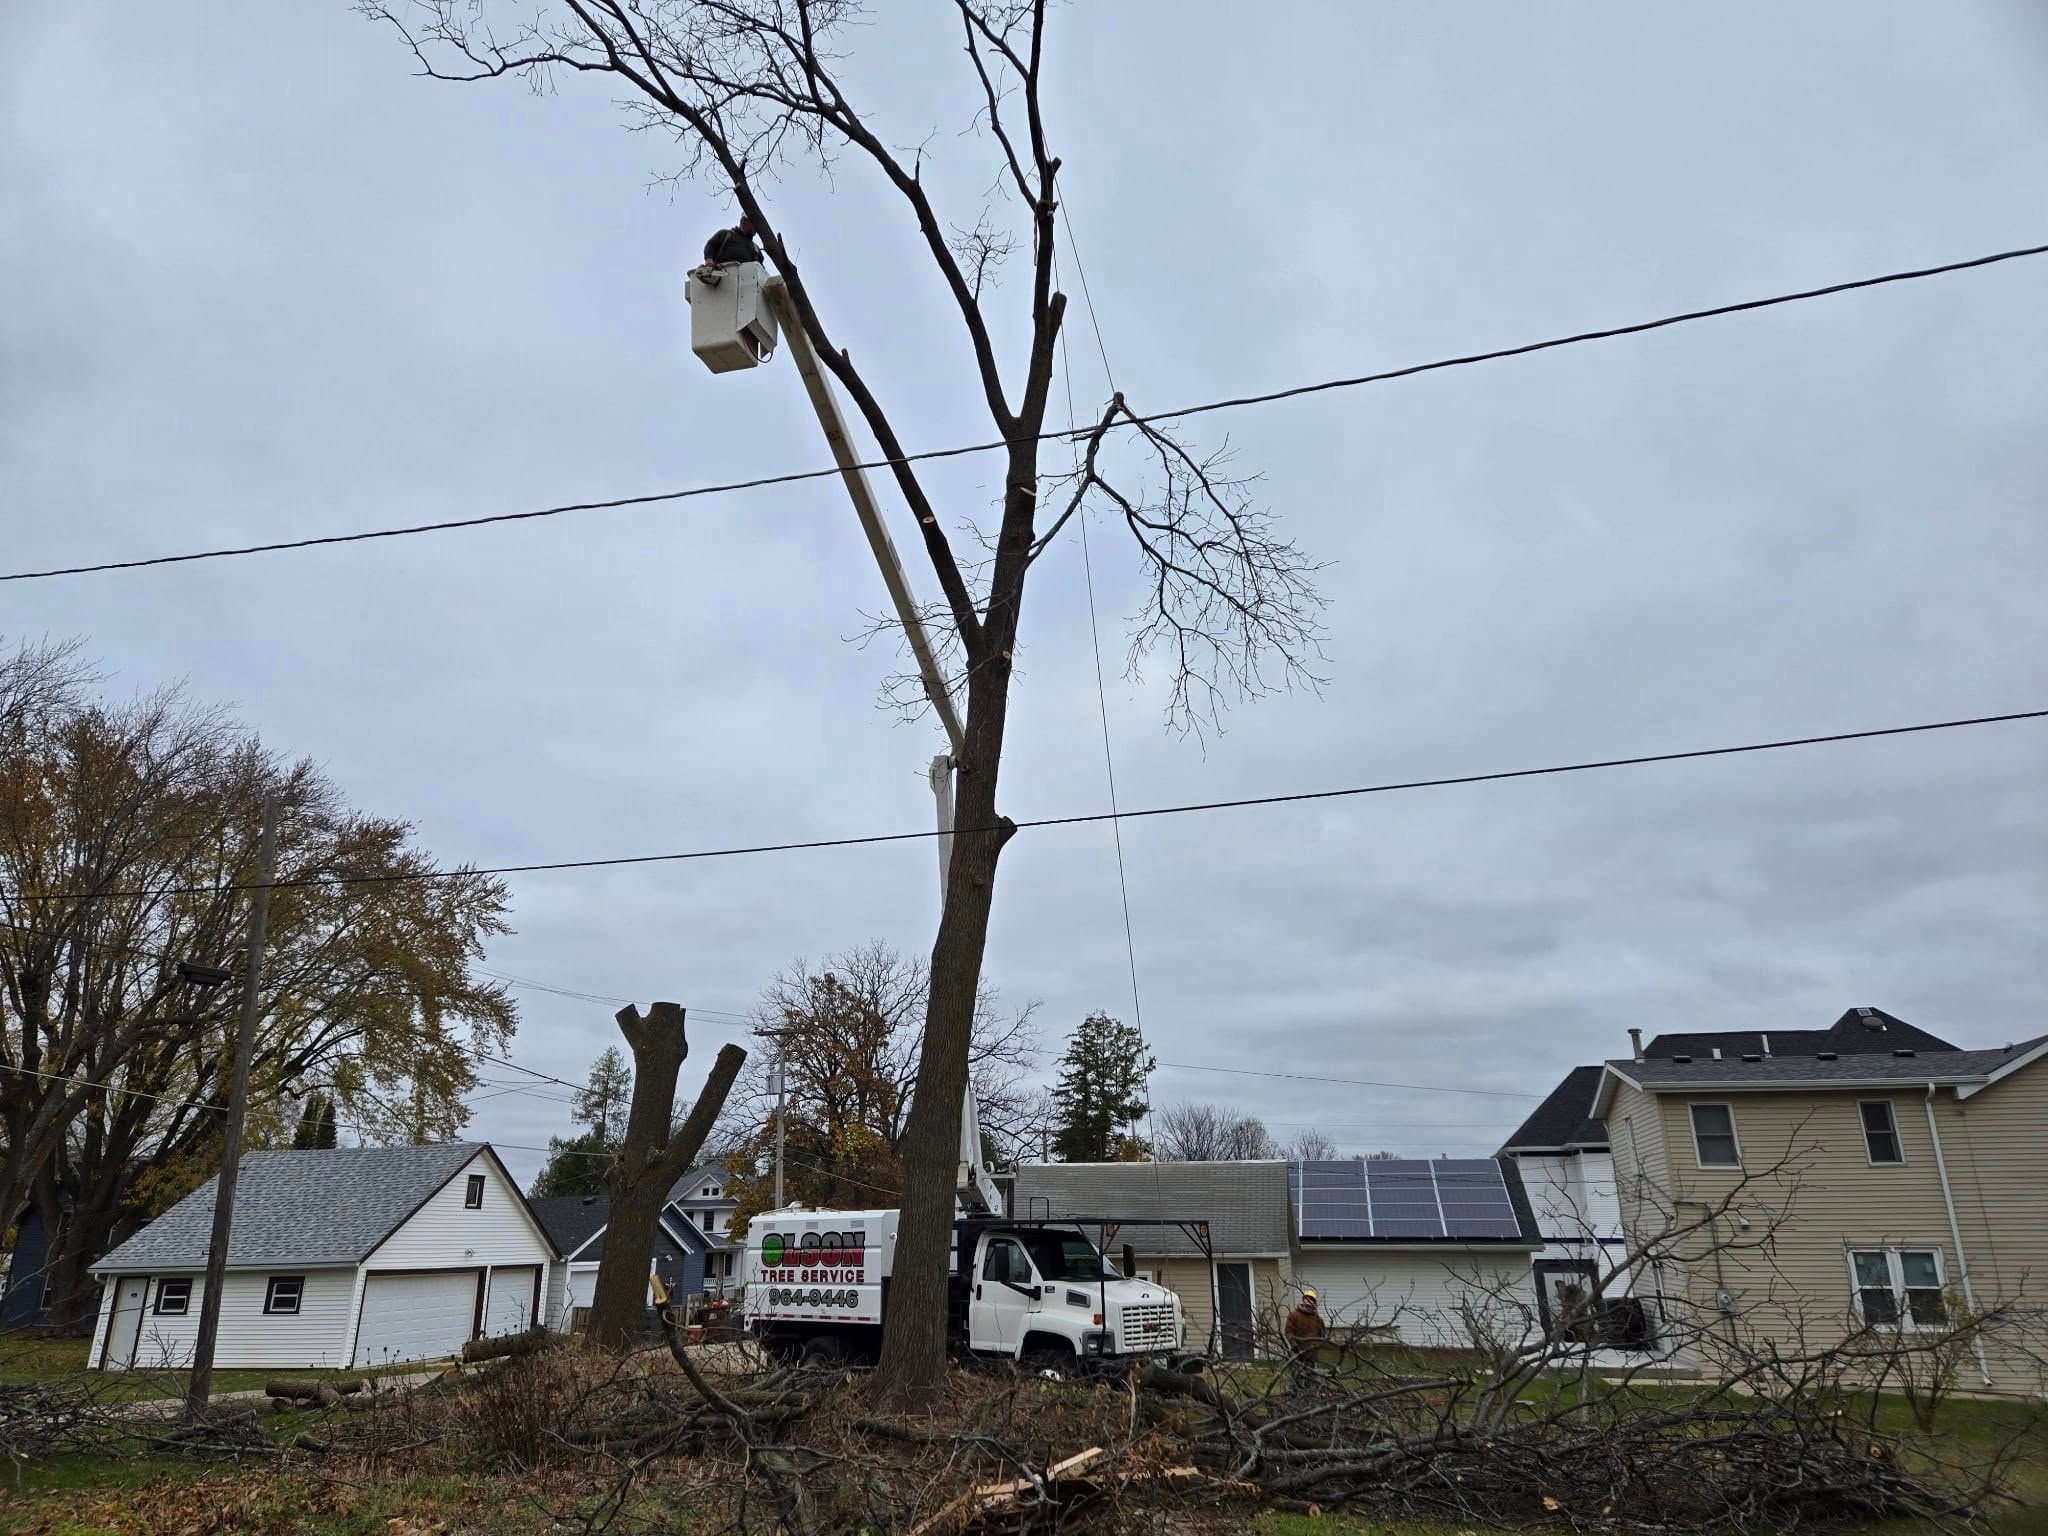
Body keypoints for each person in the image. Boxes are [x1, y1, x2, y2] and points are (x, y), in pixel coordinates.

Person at [1283, 1288, 1327, 1358]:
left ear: (1314, 1303)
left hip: (1313, 1354)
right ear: (1303, 1300)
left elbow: (1322, 1335)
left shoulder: (1318, 1319)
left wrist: (1317, 1346)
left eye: (1311, 1299)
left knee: (1312, 1369)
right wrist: (1294, 1345)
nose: (1308, 1301)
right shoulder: (1294, 1316)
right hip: (1298, 1352)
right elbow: (1288, 1332)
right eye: (1307, 1299)